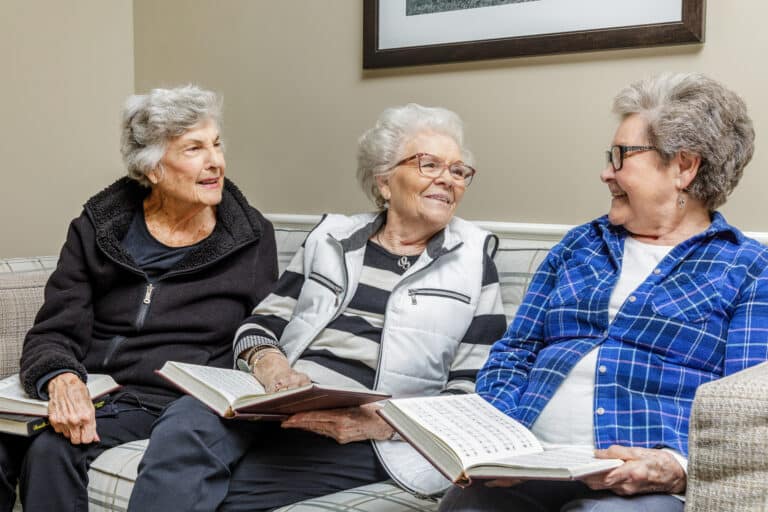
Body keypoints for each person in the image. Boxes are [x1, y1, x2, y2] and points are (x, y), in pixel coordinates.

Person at [127, 103, 508, 511]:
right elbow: (262, 323)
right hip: (276, 400)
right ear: (383, 181)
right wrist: (271, 366)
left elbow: (475, 389)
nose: (447, 180)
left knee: (220, 495)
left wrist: (381, 422)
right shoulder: (331, 238)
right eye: (429, 164)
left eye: (457, 170)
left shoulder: (473, 263)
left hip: (366, 430)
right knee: (186, 423)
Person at [439, 73, 768, 512]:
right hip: (530, 464)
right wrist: (492, 441)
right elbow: (514, 351)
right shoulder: (580, 245)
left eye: (621, 156)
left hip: (643, 483)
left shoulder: (748, 268)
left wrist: (678, 464)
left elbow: (743, 407)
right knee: (466, 507)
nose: (605, 172)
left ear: (684, 167)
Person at [0, 85, 278, 511]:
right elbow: (54, 328)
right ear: (152, 170)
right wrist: (61, 378)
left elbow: (265, 329)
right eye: (193, 149)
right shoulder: (99, 228)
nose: (215, 162)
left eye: (216, 145)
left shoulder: (249, 236)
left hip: (172, 399)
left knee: (52, 450)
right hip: (97, 388)